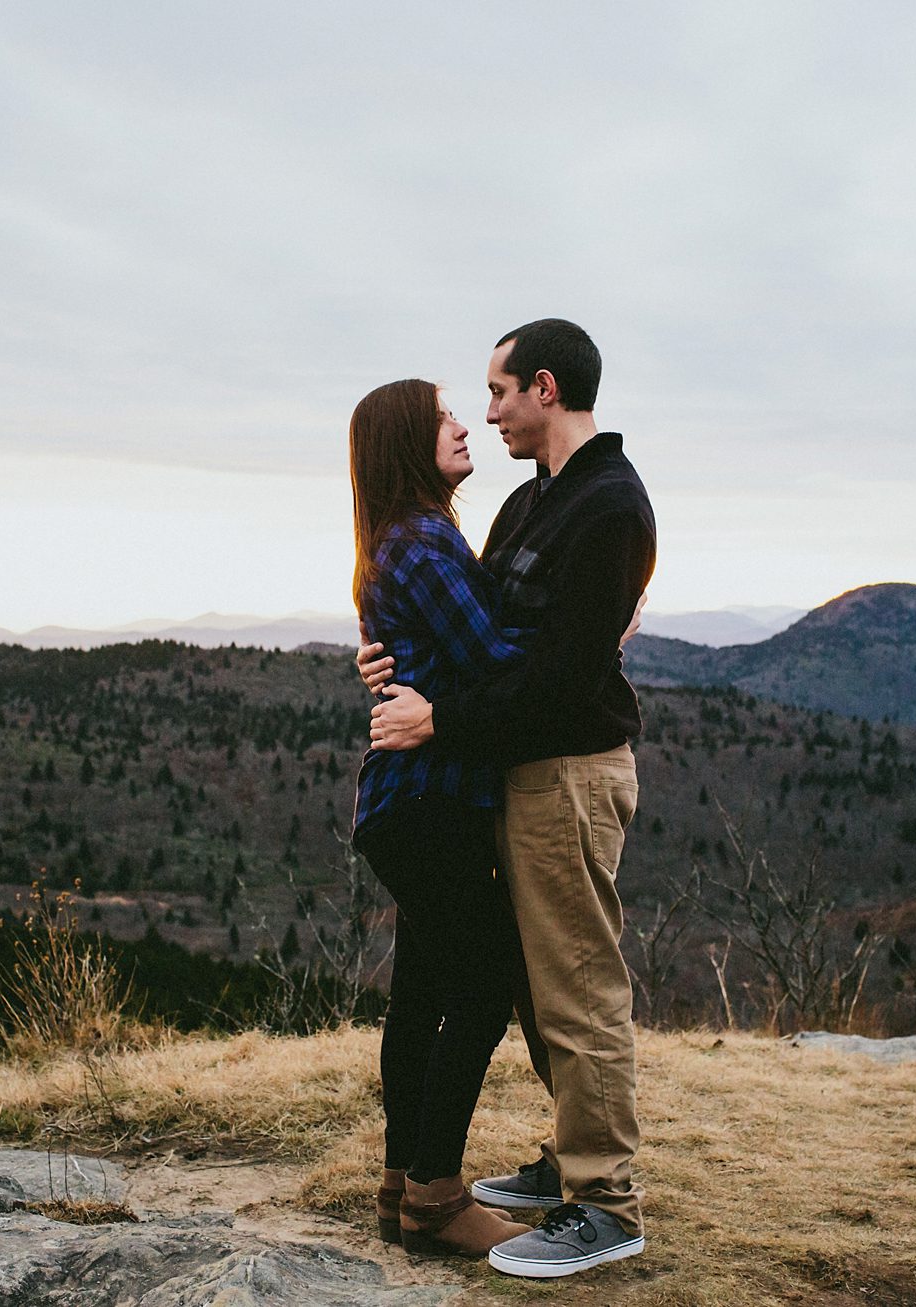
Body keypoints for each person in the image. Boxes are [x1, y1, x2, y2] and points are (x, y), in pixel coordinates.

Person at [365, 318, 657, 1279]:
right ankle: (568, 1159)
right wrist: (391, 655)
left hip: (570, 770)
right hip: (519, 773)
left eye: (495, 394)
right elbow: (467, 627)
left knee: (575, 984)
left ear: (543, 387)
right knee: (539, 984)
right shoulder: (532, 504)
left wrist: (437, 717)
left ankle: (605, 1200)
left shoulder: (609, 505)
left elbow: (564, 680)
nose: (487, 413)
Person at [347, 377, 533, 1259]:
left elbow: (437, 657)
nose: (465, 425)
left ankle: (401, 1184)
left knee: (421, 994)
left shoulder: (398, 541)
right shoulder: (422, 542)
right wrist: (596, 637)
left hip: (405, 805)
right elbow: (500, 657)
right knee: (485, 983)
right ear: (405, 446)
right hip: (430, 803)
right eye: (445, 419)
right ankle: (437, 1194)